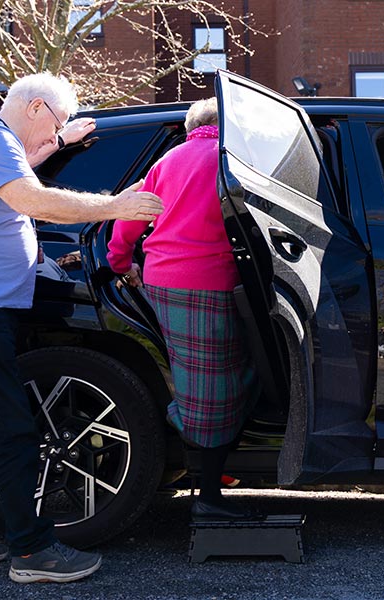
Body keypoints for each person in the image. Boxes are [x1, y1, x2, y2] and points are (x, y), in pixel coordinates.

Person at [0, 73, 163, 584]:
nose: (54, 131)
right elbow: (35, 201)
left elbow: (20, 170)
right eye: (55, 121)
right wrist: (116, 205)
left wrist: (60, 142)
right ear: (34, 107)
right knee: (9, 428)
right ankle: (31, 552)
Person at [106, 97, 260, 521]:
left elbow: (129, 220)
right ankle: (208, 494)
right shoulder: (233, 160)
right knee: (215, 388)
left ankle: (201, 447)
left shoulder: (167, 162)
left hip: (164, 281)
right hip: (209, 283)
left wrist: (121, 264)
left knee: (205, 378)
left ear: (191, 128)